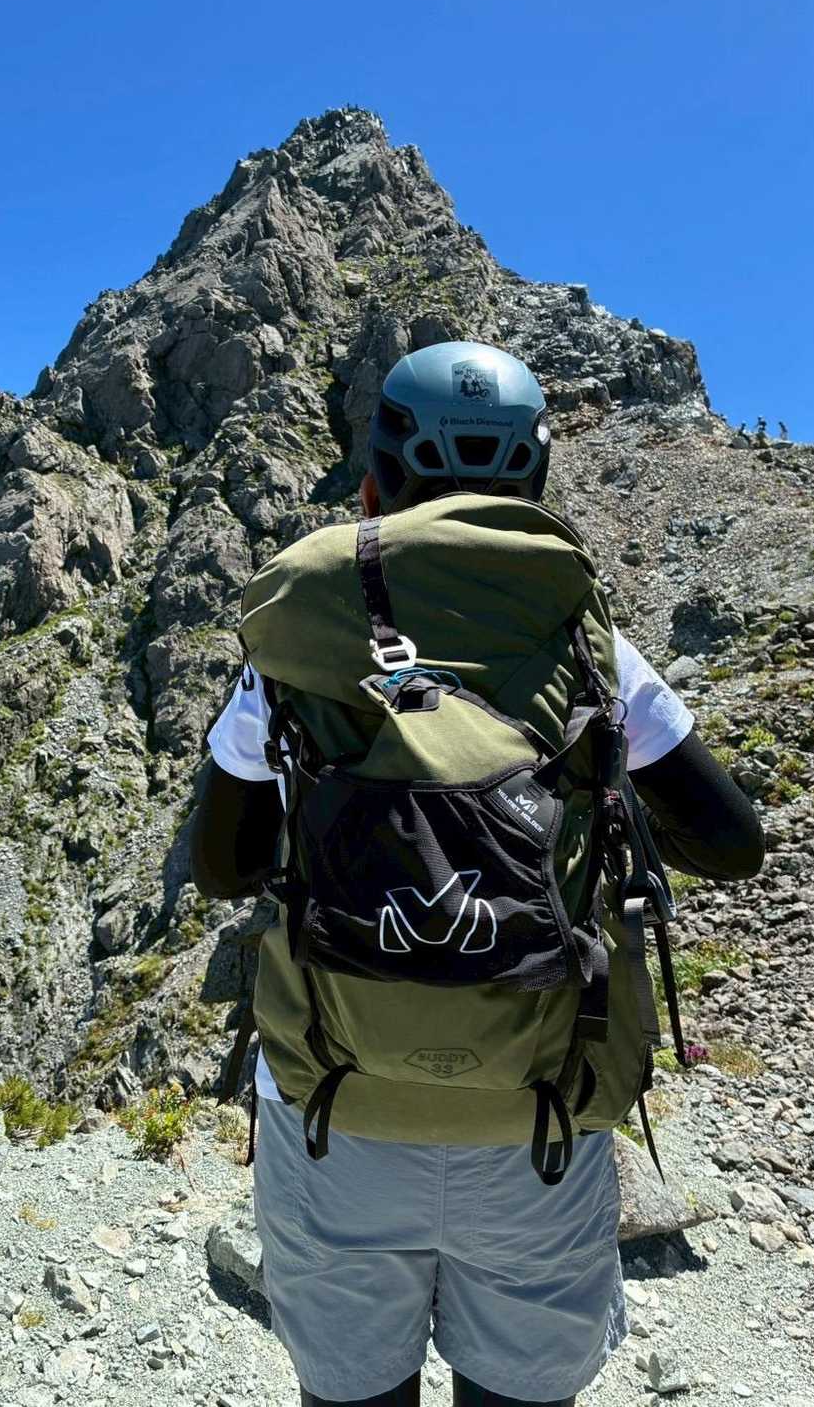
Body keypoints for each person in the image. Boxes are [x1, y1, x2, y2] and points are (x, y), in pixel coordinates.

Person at [192, 343, 764, 1407]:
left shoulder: (298, 642)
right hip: (539, 1109)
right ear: (531, 483)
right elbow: (732, 844)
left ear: (372, 487)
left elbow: (221, 868)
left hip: (331, 1105)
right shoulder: (586, 642)